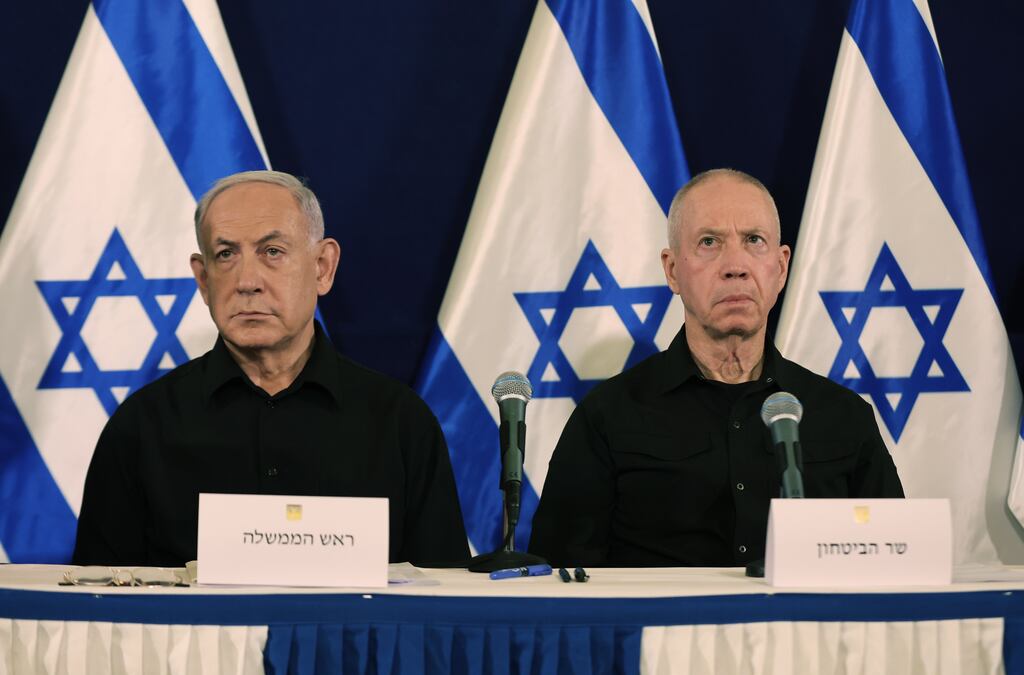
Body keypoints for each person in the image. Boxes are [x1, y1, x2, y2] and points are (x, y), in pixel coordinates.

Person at [72, 170, 469, 567]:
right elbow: (98, 609)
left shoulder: (400, 423)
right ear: (203, 279)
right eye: (226, 254)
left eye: (272, 252)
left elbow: (444, 601)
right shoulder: (141, 426)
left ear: (323, 267)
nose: (247, 281)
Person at [528, 169, 903, 568]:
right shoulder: (607, 416)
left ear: (781, 267)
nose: (735, 266)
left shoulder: (844, 416)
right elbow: (559, 580)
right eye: (709, 242)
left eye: (754, 241)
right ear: (672, 270)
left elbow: (894, 563)